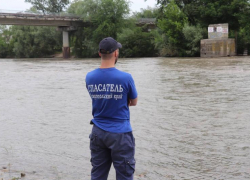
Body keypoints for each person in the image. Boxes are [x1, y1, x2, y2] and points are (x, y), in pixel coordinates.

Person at [85, 37, 138, 180]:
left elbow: (97, 98)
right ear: (115, 53)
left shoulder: (89, 77)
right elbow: (134, 101)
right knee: (125, 176)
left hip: (98, 132)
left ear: (99, 54)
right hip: (120, 134)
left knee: (98, 175)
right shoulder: (125, 77)